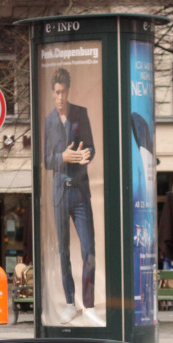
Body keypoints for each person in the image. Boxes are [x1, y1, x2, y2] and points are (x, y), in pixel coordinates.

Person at [43, 67, 99, 325]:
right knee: (64, 251)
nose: (60, 96)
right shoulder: (48, 121)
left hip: (79, 191)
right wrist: (63, 157)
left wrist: (85, 155)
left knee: (89, 250)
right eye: (56, 92)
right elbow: (46, 159)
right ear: (53, 93)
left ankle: (88, 304)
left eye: (64, 91)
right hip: (59, 193)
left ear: (68, 90)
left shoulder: (80, 114)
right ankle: (69, 302)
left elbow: (91, 147)